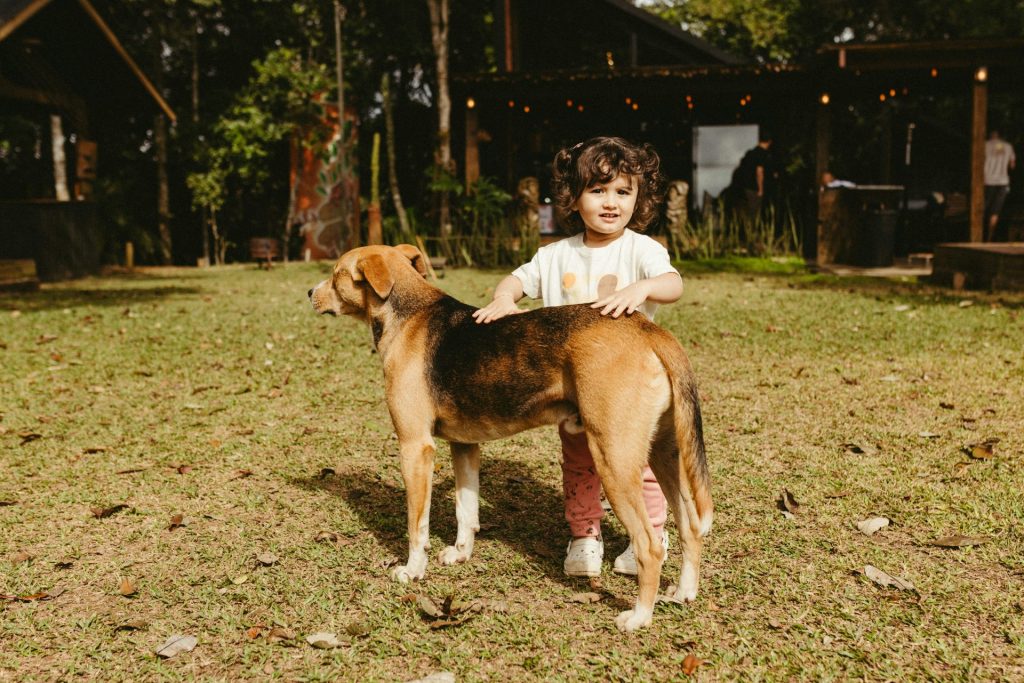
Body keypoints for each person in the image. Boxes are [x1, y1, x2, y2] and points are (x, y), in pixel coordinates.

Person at [472, 137, 683, 577]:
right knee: (580, 461)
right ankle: (585, 534)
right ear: (574, 196)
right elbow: (517, 279)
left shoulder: (642, 250)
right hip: (568, 384)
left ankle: (652, 532)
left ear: (638, 197)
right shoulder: (555, 255)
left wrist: (642, 288)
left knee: (641, 461)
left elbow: (673, 285)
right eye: (598, 191)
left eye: (623, 192)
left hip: (625, 385)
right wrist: (504, 298)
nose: (612, 203)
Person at [735, 130, 774, 225]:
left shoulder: (752, 152)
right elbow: (759, 172)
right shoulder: (762, 154)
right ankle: (752, 234)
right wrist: (760, 189)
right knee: (755, 213)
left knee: (750, 211)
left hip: (747, 186)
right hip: (754, 187)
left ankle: (749, 231)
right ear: (769, 142)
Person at [984, 129, 1016, 241]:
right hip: (1003, 181)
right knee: (995, 211)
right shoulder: (1008, 146)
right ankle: (989, 237)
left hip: (987, 180)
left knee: (984, 208)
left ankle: (981, 234)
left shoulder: (985, 145)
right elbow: (1012, 165)